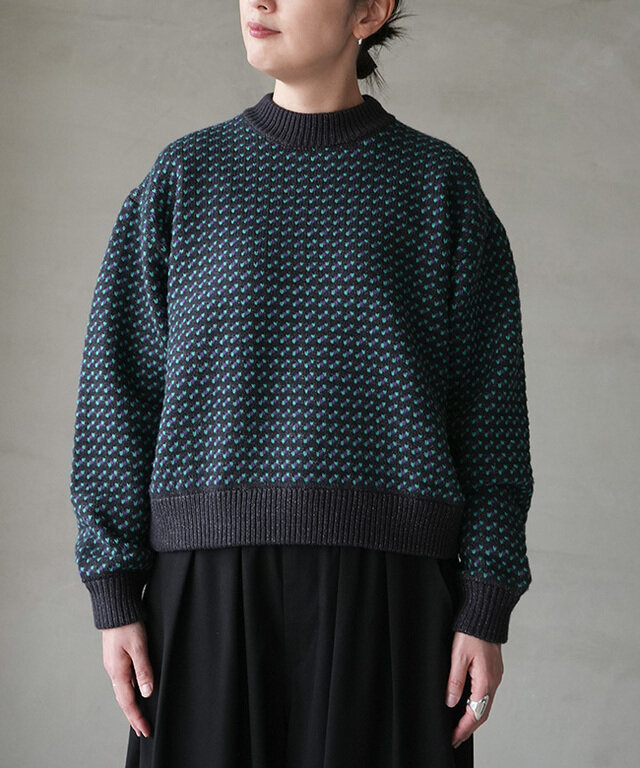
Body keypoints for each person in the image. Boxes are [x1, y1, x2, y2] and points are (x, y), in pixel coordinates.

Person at [69, 1, 535, 766]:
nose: (259, 1)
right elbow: (117, 393)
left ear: (370, 11)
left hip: (395, 594)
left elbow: (492, 421)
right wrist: (113, 588)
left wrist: (486, 600)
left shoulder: (438, 185)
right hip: (203, 587)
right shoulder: (185, 176)